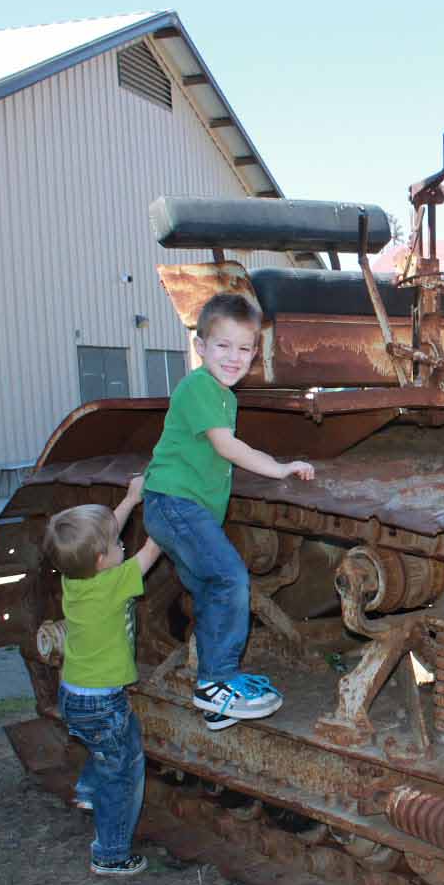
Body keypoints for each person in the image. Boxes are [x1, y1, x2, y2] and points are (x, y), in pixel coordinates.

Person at [141, 292, 314, 730]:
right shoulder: (199, 387)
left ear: (255, 352)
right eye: (222, 346)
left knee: (212, 593)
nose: (233, 358)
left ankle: (216, 703)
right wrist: (279, 468)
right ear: (200, 347)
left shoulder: (223, 396)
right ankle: (217, 680)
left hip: (181, 508)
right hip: (176, 504)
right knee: (231, 577)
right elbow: (226, 447)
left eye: (244, 348)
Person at [42, 476, 163, 876]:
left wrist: (130, 499)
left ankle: (89, 788)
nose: (122, 544)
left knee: (109, 750)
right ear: (100, 560)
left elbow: (106, 531)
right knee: (124, 771)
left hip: (74, 696)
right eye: (115, 545)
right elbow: (151, 550)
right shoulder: (114, 584)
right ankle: (110, 855)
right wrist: (170, 511)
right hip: (103, 703)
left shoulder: (72, 579)